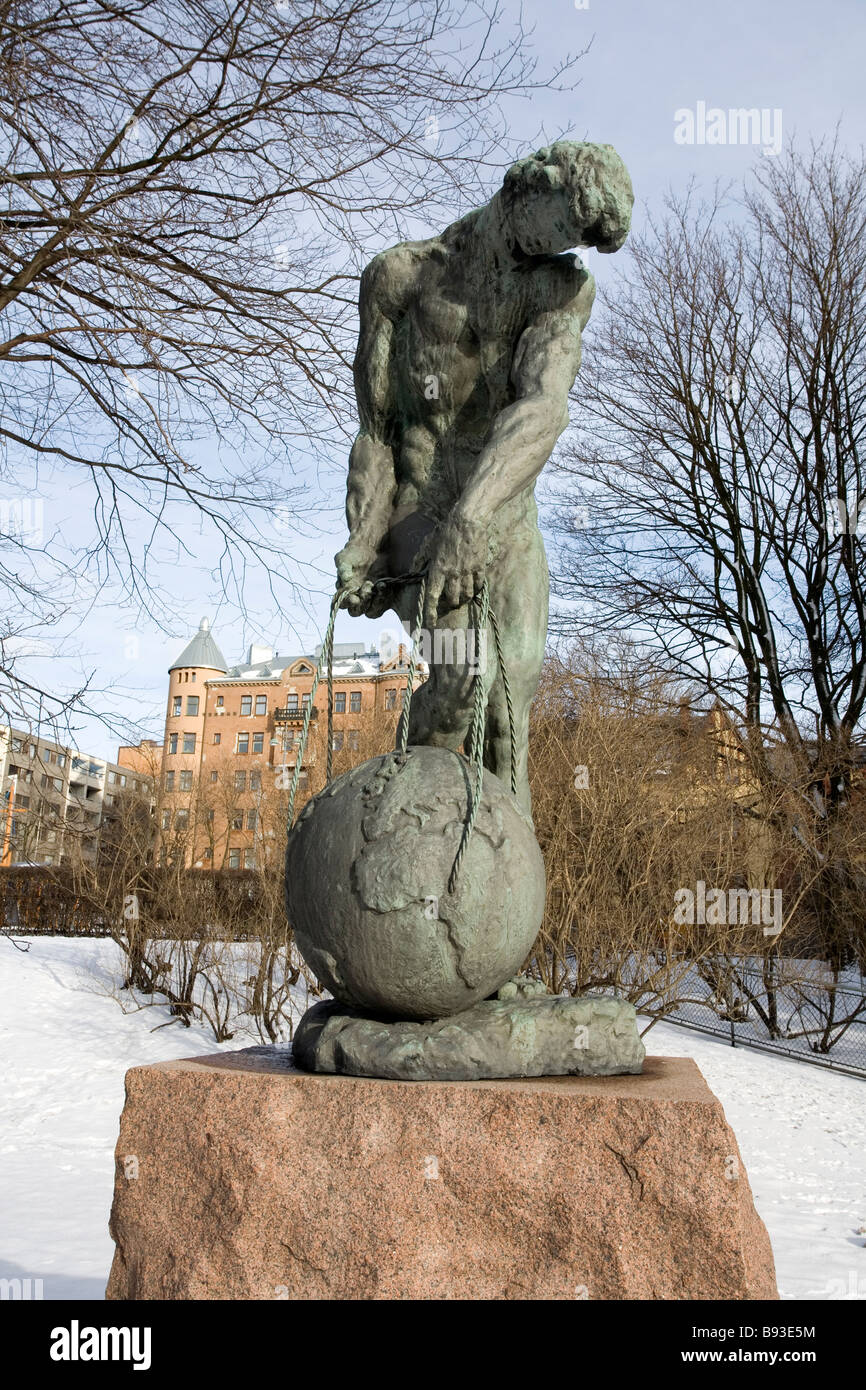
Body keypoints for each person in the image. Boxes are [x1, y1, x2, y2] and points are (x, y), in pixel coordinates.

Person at [335, 141, 633, 813]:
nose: (568, 248)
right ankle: (405, 840)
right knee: (461, 680)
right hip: (423, 505)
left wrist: (477, 516)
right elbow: (379, 430)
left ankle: (493, 908)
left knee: (507, 724)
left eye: (581, 240)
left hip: (504, 513)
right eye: (567, 227)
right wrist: (365, 541)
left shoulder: (562, 290)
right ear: (531, 185)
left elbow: (543, 405)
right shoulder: (399, 279)